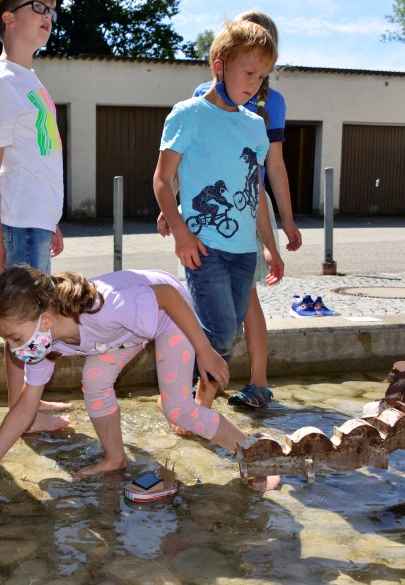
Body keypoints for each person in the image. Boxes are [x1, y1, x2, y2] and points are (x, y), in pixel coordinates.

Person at [0, 266, 280, 495]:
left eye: (15, 338)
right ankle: (115, 457)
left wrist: (204, 349)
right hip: (123, 336)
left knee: (179, 410)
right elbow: (24, 408)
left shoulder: (105, 307)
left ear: (45, 319)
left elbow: (167, 295)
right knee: (95, 377)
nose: (15, 349)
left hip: (168, 316)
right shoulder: (46, 343)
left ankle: (257, 455)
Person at [159, 10, 302, 410]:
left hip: (244, 252)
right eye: (248, 74)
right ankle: (188, 401)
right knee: (220, 333)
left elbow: (254, 189)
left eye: (262, 77)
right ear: (219, 67)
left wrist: (269, 246)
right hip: (203, 246)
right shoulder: (187, 114)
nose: (255, 85)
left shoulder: (255, 124)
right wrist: (179, 228)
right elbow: (161, 179)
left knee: (227, 335)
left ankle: (194, 407)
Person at [0, 0, 68, 432]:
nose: (48, 13)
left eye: (52, 6)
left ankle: (27, 403)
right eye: (37, 5)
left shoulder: (28, 79)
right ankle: (23, 413)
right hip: (18, 223)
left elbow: (38, 159)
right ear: (8, 17)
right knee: (26, 321)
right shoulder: (1, 83)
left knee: (31, 319)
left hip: (35, 220)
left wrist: (51, 220)